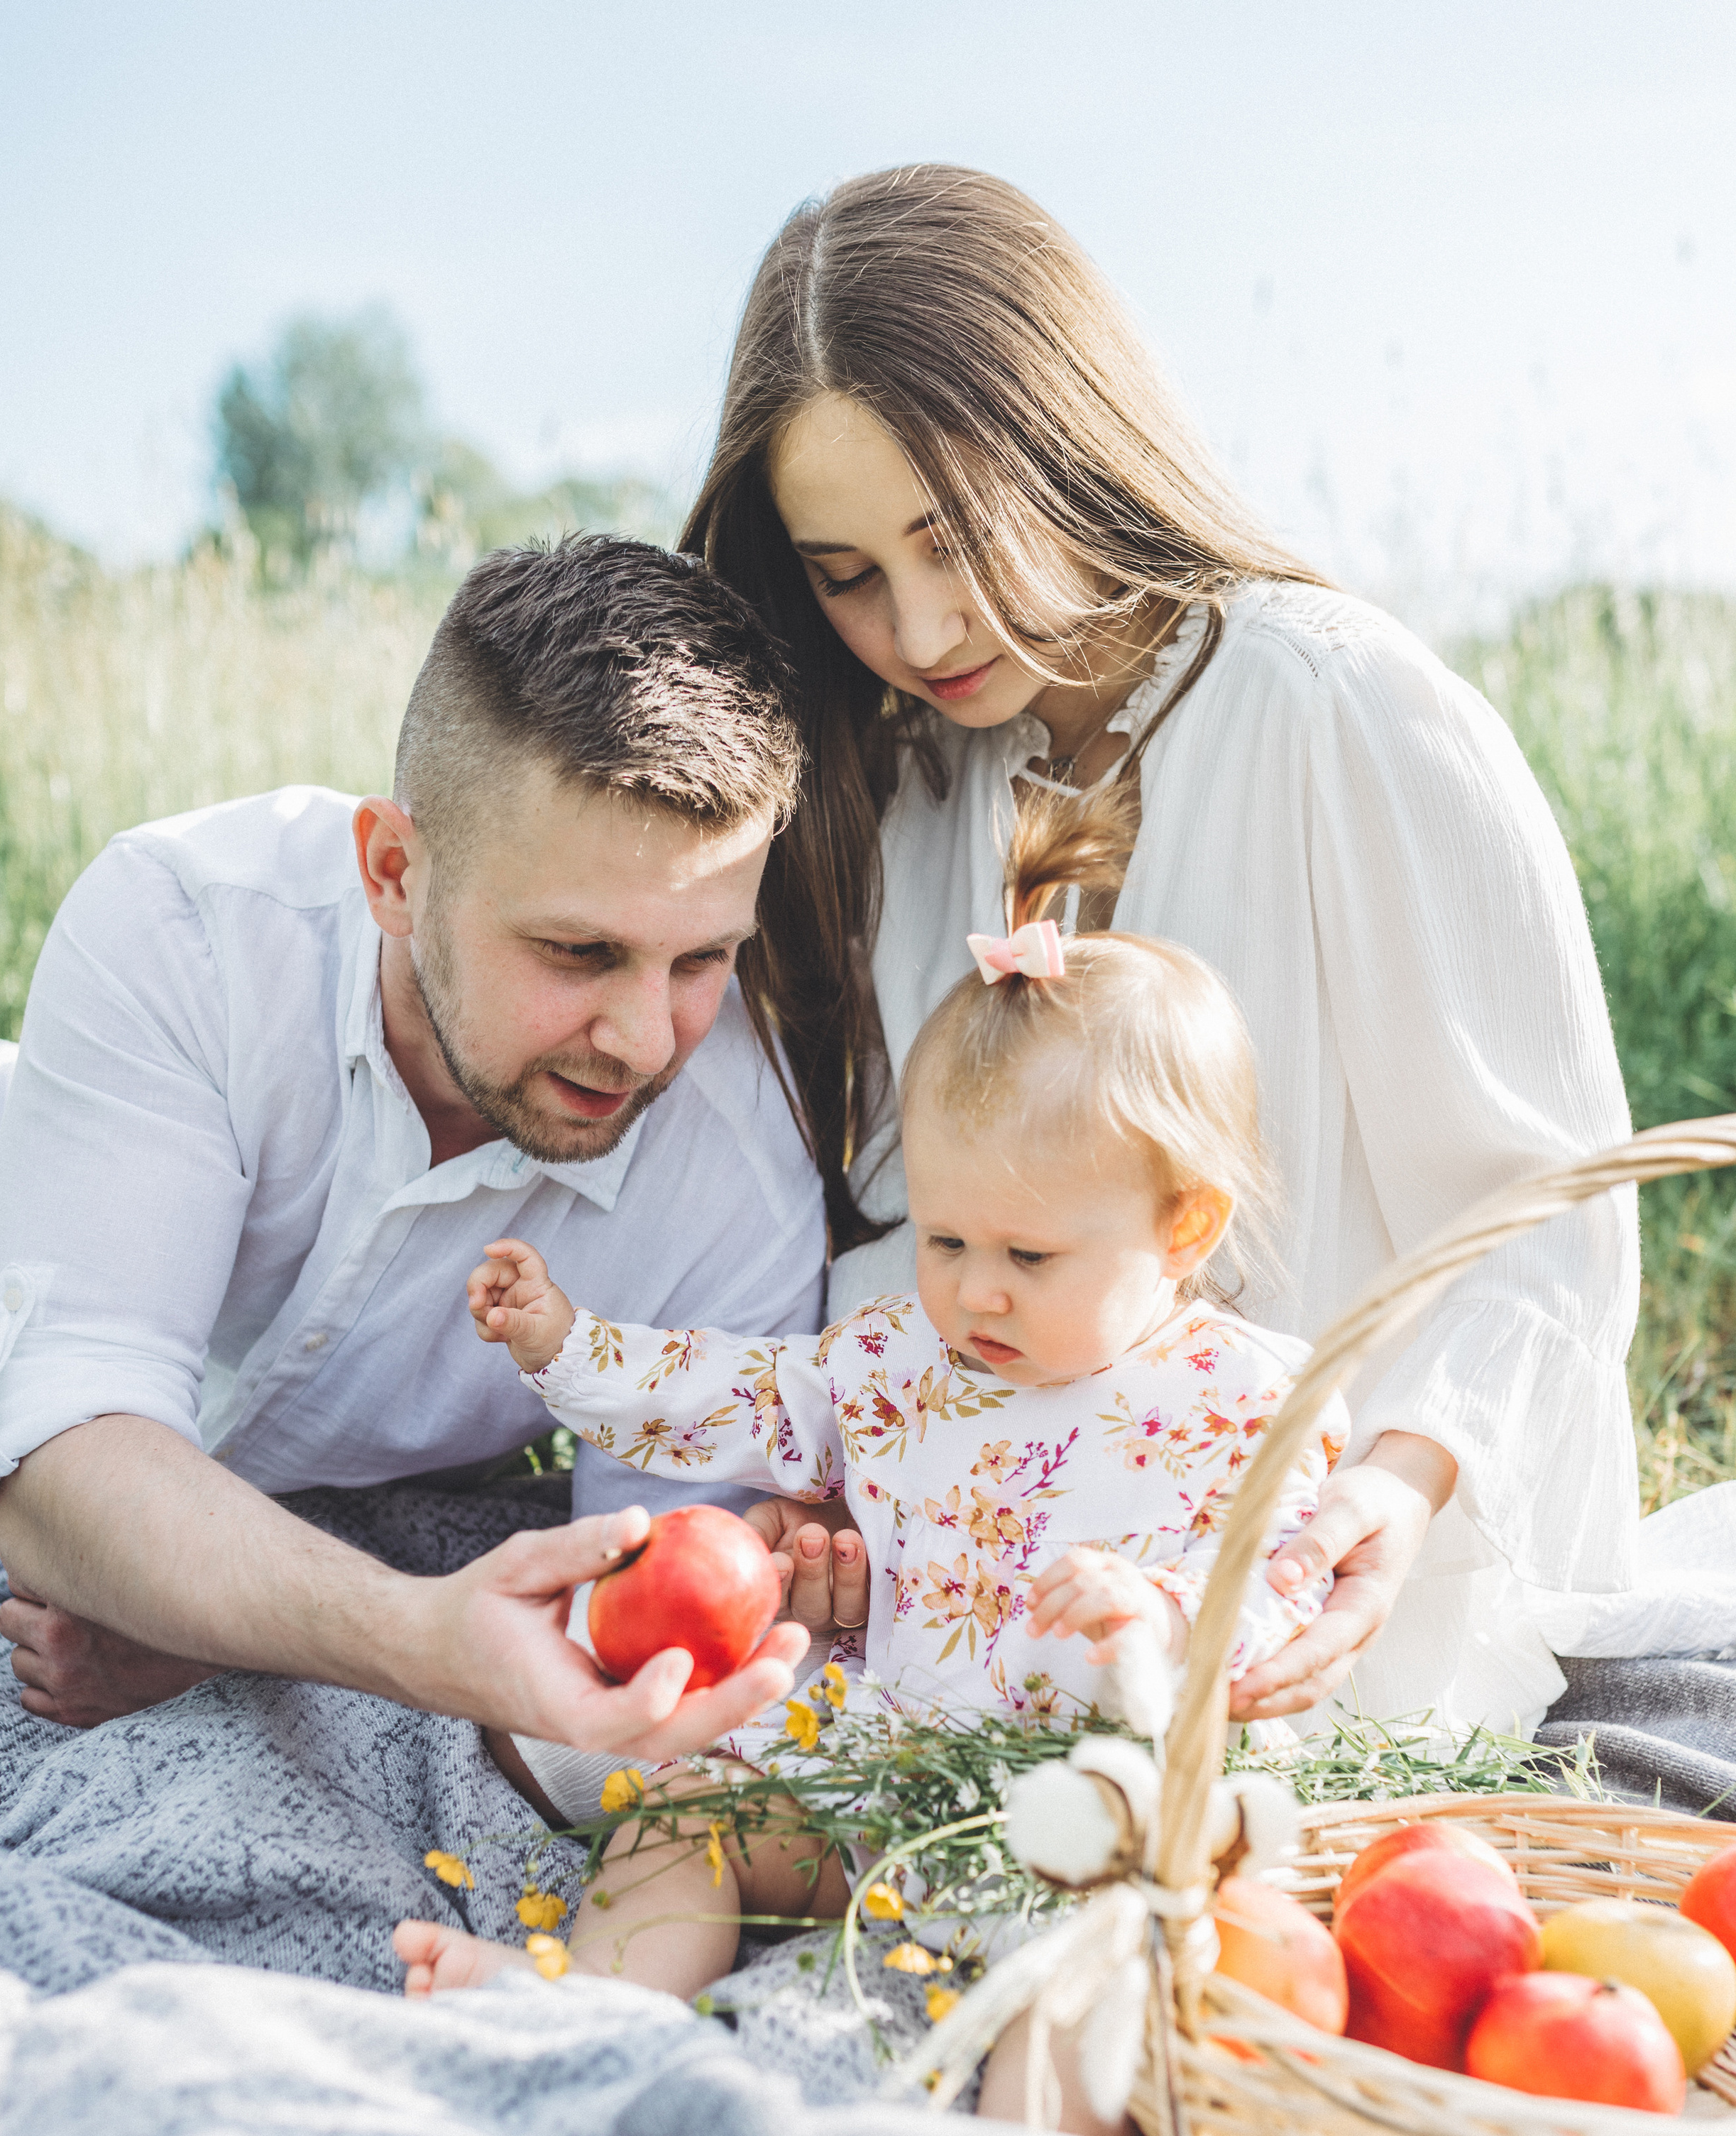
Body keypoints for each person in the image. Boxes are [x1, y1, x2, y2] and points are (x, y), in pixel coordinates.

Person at [677, 165, 1638, 1736]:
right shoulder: (914, 776)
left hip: (1334, 1572)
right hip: (1017, 1595)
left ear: (1063, 437)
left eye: (951, 537)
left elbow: (1545, 1230)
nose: (920, 634)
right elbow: (926, 1227)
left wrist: (1388, 1496)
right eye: (848, 578)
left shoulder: (1347, 714)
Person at [392, 925, 1346, 2136]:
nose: (976, 1290)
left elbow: (1284, 1581)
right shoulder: (907, 1359)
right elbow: (747, 1397)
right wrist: (572, 1346)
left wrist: (1164, 1612)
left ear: (1184, 1230)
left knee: (1098, 1975)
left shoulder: (1248, 1398)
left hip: (1089, 1827)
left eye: (1027, 1255)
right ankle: (593, 2006)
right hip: (889, 1789)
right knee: (691, 1811)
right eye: (945, 1241)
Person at [0, 537, 855, 1770]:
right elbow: (64, 1453)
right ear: (393, 871)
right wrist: (391, 1631)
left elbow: (653, 1621)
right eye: (578, 952)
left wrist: (226, 1620)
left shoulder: (743, 1173)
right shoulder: (187, 926)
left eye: (700, 960)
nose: (644, 1041)